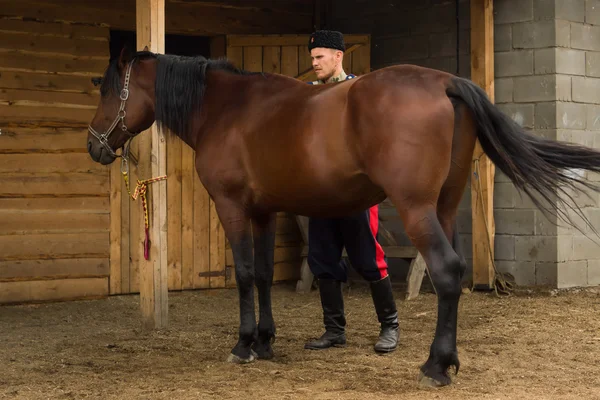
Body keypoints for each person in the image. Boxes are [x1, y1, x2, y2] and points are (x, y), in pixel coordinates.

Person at [303, 30, 399, 354]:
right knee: (322, 259)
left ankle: (390, 327)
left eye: (319, 57)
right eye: (312, 57)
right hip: (320, 194)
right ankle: (334, 330)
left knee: (368, 258)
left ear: (338, 56)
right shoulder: (308, 96)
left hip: (356, 192)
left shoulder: (360, 92)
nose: (314, 63)